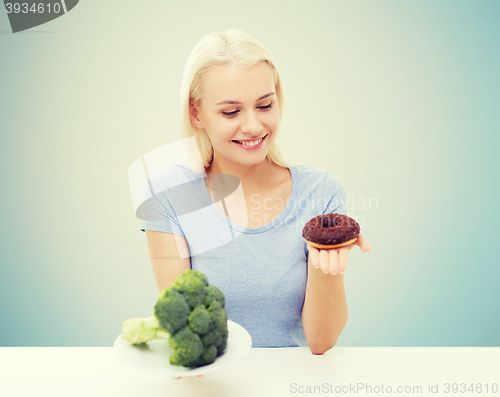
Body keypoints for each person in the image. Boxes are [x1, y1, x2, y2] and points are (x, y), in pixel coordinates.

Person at [139, 29, 370, 375]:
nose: (253, 125)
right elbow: (183, 324)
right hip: (208, 383)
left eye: (265, 105)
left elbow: (321, 342)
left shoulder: (320, 191)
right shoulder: (169, 194)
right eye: (231, 112)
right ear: (197, 114)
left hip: (294, 382)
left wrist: (327, 260)